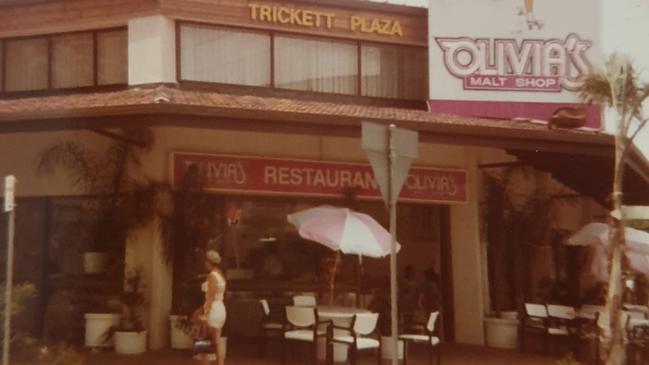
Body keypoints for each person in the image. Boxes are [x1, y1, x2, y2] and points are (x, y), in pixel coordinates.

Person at [199, 250, 227, 365]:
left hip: (213, 309)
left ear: (208, 262)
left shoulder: (212, 276)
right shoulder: (220, 275)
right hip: (220, 307)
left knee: (203, 341)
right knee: (217, 341)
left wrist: (205, 314)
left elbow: (210, 296)